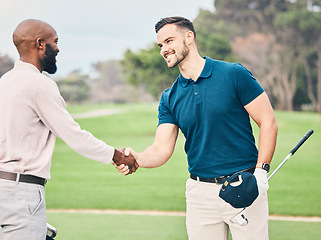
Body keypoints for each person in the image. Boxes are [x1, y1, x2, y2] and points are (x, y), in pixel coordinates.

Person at [116, 16, 278, 240]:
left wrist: (260, 173)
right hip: (199, 194)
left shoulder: (233, 74)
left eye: (169, 41)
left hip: (244, 186)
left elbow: (268, 121)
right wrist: (137, 158)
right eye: (160, 45)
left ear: (189, 37)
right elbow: (161, 148)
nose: (164, 49)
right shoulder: (169, 97)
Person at [0, 19, 138, 240]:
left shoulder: (6, 80)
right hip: (20, 191)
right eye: (54, 42)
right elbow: (73, 135)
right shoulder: (39, 84)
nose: (58, 48)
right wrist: (118, 156)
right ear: (39, 44)